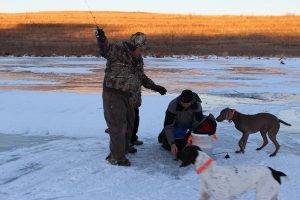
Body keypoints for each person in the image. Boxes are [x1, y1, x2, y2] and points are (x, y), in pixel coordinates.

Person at [96, 27, 167, 166]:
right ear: (134, 46)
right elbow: (105, 50)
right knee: (118, 126)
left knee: (129, 124)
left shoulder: (138, 59)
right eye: (140, 50)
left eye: (143, 50)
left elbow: (140, 76)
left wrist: (154, 87)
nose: (141, 53)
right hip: (113, 93)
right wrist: (101, 38)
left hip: (129, 96)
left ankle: (125, 146)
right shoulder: (118, 50)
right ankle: (117, 157)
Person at [158, 90, 206, 156]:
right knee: (167, 144)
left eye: (188, 103)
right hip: (177, 125)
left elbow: (197, 125)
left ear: (192, 101)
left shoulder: (197, 104)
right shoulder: (173, 104)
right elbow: (168, 125)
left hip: (191, 126)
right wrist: (172, 143)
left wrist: (190, 141)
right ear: (180, 100)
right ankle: (163, 134)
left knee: (187, 146)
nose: (186, 105)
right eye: (183, 103)